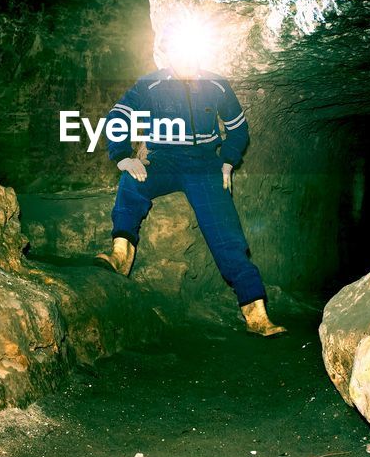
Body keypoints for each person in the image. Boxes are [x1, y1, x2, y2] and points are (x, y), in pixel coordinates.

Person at [95, 24, 286, 337]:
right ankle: (121, 255)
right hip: (164, 160)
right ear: (167, 54)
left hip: (204, 165)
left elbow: (238, 129)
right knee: (132, 183)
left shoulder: (216, 85)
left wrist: (227, 161)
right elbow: (119, 116)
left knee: (226, 233)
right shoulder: (151, 84)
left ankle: (256, 312)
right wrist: (122, 156)